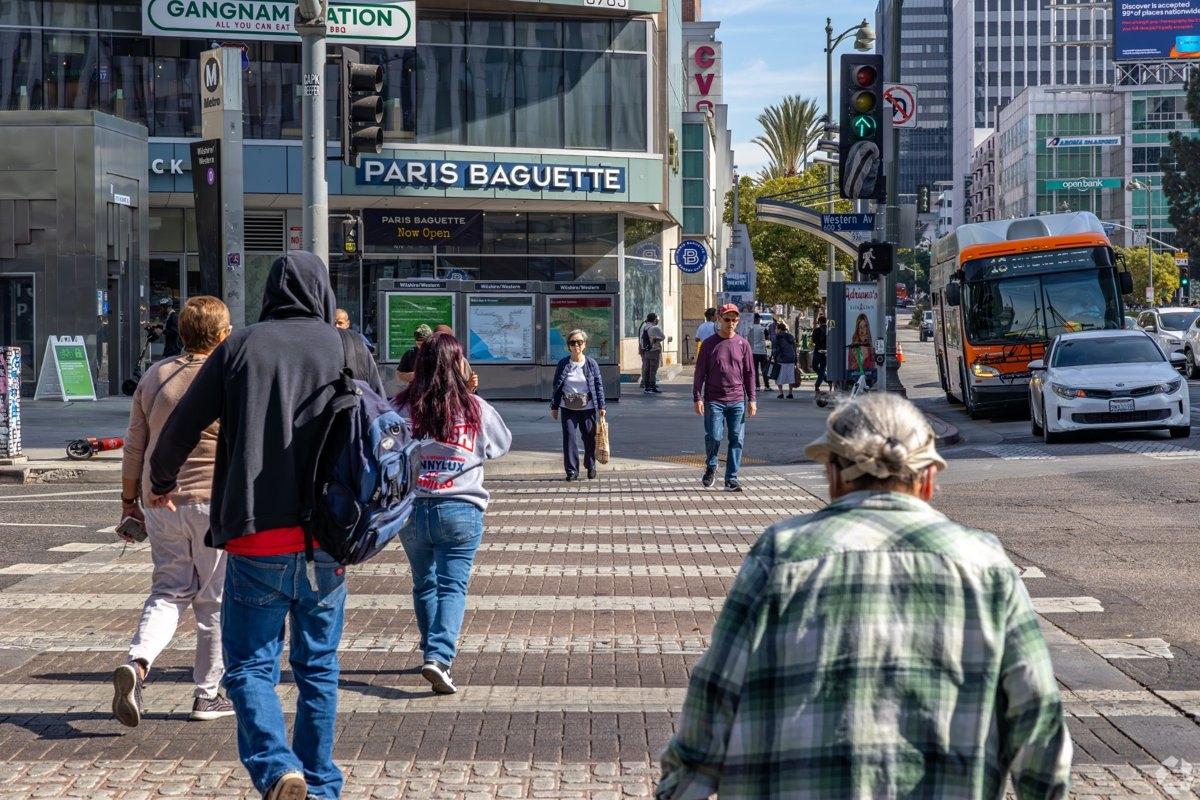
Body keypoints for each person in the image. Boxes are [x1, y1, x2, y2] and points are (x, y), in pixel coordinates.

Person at [658, 393, 1071, 800]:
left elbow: (715, 696)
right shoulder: (986, 565)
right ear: (927, 479)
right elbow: (1037, 718)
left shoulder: (782, 554)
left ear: (834, 476)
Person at [148, 251, 384, 800]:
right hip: (331, 538)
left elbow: (182, 426)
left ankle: (278, 768)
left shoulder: (240, 346)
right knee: (318, 666)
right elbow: (380, 428)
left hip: (256, 536)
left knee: (250, 666)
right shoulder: (348, 347)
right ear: (322, 291)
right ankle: (321, 784)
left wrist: (160, 481)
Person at [113, 296, 235, 729]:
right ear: (222, 335)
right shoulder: (228, 376)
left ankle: (139, 662)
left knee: (168, 592)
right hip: (213, 502)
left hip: (160, 501)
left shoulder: (154, 376)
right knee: (214, 601)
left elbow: (134, 446)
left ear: (181, 333)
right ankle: (207, 695)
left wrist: (130, 500)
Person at [393, 333, 512, 694]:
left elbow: (384, 448)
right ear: (458, 364)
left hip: (413, 509)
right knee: (452, 585)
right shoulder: (474, 407)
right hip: (461, 507)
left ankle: (432, 650)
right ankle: (439, 657)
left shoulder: (400, 406)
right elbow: (500, 445)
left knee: (424, 582)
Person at [692, 303, 756, 492]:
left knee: (737, 438)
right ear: (719, 319)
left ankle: (732, 478)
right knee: (714, 435)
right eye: (727, 319)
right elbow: (699, 373)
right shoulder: (709, 344)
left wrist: (752, 399)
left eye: (734, 320)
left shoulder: (743, 344)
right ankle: (711, 465)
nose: (730, 323)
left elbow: (750, 373)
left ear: (738, 321)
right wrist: (697, 397)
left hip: (737, 400)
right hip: (714, 400)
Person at [550, 329, 608, 481]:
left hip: (587, 407)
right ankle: (571, 470)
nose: (576, 345)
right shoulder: (563, 363)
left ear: (585, 345)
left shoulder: (591, 364)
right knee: (569, 437)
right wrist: (554, 407)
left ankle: (591, 465)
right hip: (567, 406)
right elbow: (557, 385)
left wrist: (602, 406)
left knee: (589, 437)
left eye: (579, 342)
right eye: (572, 342)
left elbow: (598, 385)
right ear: (568, 346)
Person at [435, 324, 480, 393]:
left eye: (447, 340)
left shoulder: (460, 360)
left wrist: (470, 387)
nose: (443, 344)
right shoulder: (427, 359)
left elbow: (468, 392)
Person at [639, 313, 665, 394]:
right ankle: (652, 387)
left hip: (646, 351)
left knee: (646, 369)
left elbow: (641, 339)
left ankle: (647, 387)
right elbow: (663, 337)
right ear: (654, 319)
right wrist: (656, 339)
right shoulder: (654, 328)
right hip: (654, 350)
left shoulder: (643, 327)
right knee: (653, 370)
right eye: (656, 319)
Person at [770, 321, 798, 399]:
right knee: (790, 376)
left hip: (782, 359)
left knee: (779, 376)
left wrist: (774, 357)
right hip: (791, 359)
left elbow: (776, 349)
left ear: (779, 329)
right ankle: (790, 393)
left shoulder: (778, 337)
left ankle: (781, 393)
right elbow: (794, 349)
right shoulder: (791, 336)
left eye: (776, 329)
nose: (776, 330)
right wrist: (795, 359)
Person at [749, 314, 770, 391]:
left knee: (755, 370)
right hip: (762, 352)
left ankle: (757, 386)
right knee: (764, 369)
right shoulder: (763, 328)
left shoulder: (750, 329)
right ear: (758, 319)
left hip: (753, 352)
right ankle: (767, 386)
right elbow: (767, 338)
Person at [811, 314, 829, 393]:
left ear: (819, 322)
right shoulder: (829, 330)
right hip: (826, 351)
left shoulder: (817, 330)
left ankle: (820, 382)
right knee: (822, 367)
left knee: (815, 366)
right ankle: (824, 378)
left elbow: (814, 340)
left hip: (818, 351)